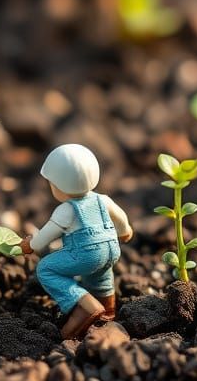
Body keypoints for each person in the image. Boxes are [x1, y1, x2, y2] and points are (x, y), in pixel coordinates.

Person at [21, 143, 133, 340]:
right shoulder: (102, 199)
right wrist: (125, 231)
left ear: (57, 185)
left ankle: (83, 306)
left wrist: (30, 245)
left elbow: (46, 236)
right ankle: (107, 311)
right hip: (112, 249)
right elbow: (121, 217)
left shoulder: (67, 210)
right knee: (99, 276)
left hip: (87, 254)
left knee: (46, 269)